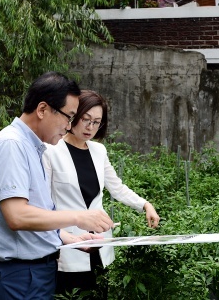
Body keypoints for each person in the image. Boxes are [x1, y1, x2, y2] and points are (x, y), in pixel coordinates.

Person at [0, 72, 114, 300]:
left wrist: (65, 237)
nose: (69, 126)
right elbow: (18, 216)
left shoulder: (35, 148)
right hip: (21, 276)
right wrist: (78, 218)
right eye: (69, 117)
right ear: (42, 110)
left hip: (36, 272)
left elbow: (37, 211)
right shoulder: (12, 145)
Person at [43, 90, 160, 299]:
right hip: (71, 244)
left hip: (99, 243)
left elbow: (117, 187)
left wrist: (145, 204)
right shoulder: (52, 150)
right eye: (86, 120)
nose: (90, 127)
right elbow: (43, 201)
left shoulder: (99, 151)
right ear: (73, 117)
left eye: (97, 122)